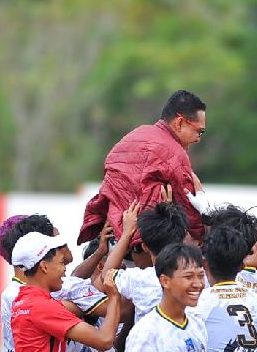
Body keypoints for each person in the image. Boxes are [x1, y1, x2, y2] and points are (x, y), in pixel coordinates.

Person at [80, 90, 207, 245]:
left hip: (113, 241)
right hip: (148, 245)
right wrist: (205, 220)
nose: (198, 139)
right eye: (199, 132)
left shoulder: (132, 136)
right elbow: (192, 218)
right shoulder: (175, 154)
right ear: (180, 122)